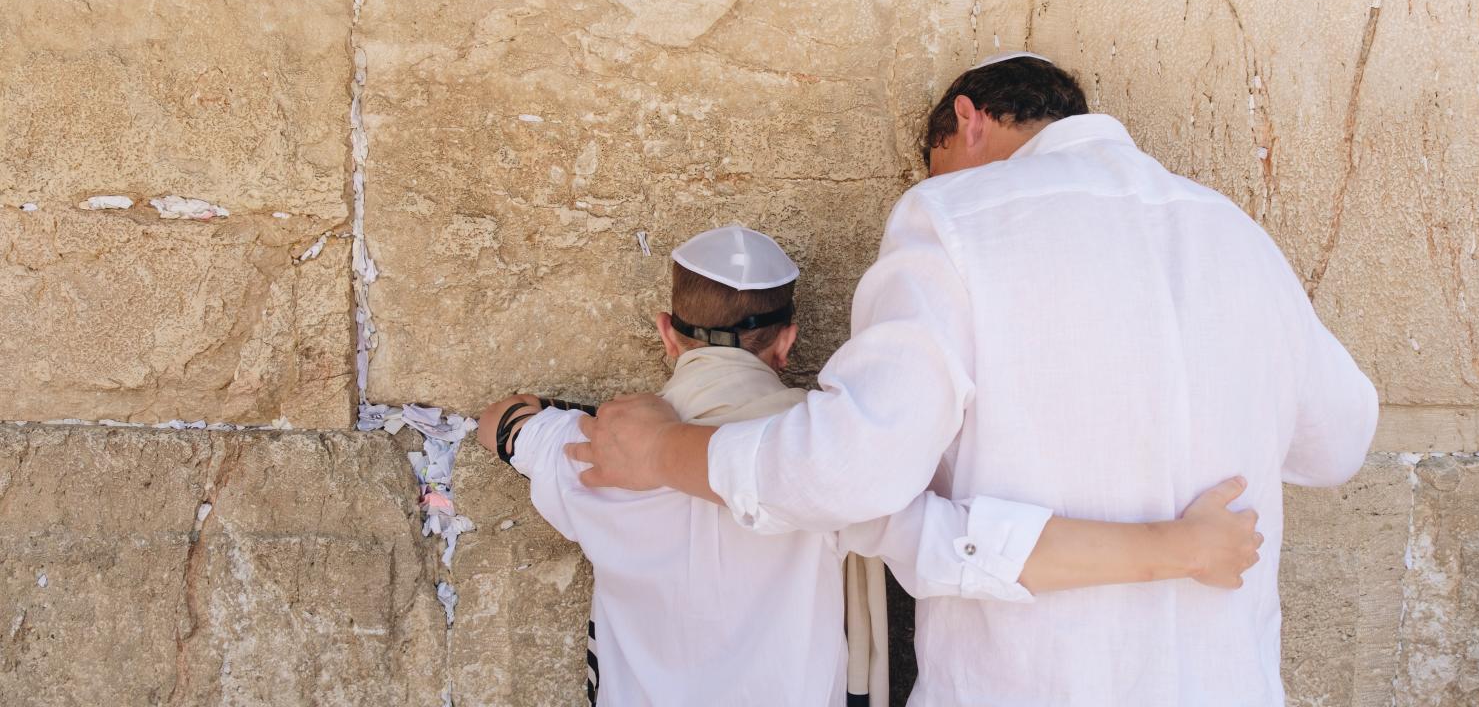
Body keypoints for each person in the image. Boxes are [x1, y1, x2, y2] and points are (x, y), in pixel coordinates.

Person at [571, 53, 1381, 705]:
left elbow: (847, 470)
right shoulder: (1235, 232)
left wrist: (662, 453)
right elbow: (1339, 444)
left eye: (934, 164)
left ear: (968, 120)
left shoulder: (954, 217)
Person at [481, 224, 1264, 706]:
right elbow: (970, 549)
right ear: (787, 342)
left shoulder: (590, 450)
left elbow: (503, 424)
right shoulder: (827, 462)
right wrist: (1182, 548)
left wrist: (540, 418)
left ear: (666, 331)